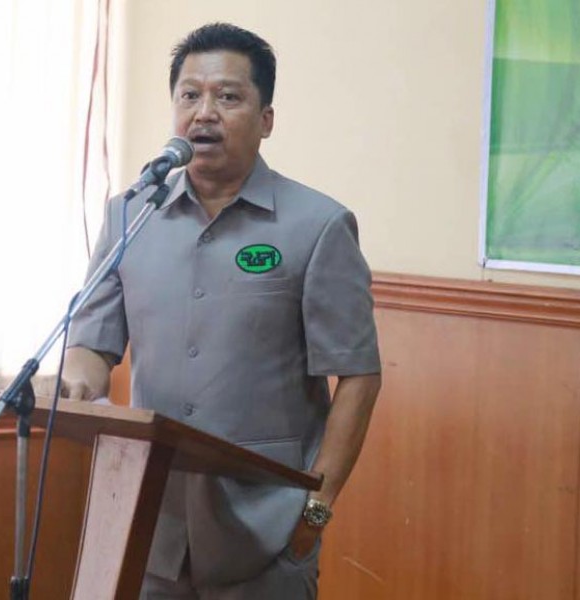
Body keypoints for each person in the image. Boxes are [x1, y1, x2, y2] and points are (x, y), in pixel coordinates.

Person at [63, 22, 381, 600]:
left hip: (264, 531)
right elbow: (92, 342)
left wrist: (316, 511)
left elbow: (358, 374)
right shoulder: (130, 215)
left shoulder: (318, 226)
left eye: (228, 96)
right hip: (150, 517)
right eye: (190, 95)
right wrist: (77, 383)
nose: (204, 112)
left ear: (266, 120)